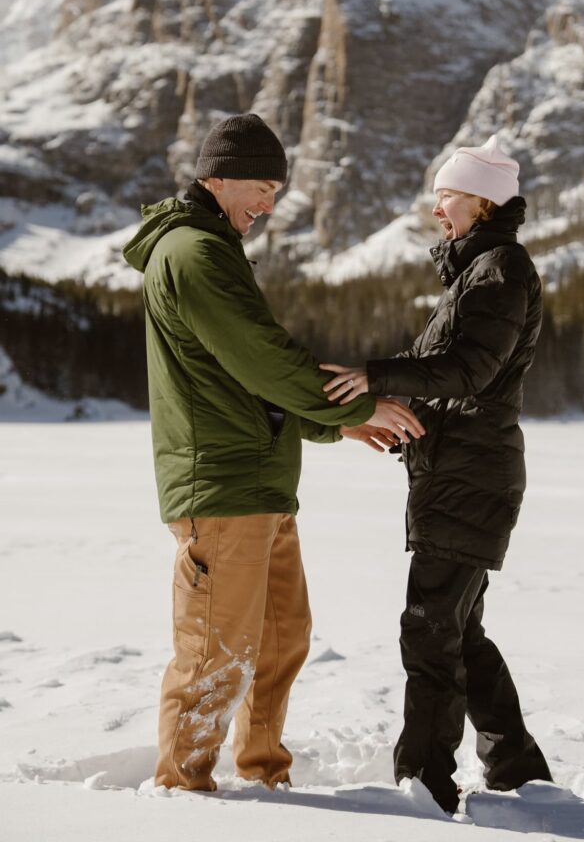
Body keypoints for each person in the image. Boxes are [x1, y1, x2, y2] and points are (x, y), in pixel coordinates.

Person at [122, 113, 423, 793]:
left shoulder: (214, 249)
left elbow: (247, 378)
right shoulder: (193, 254)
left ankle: (262, 776)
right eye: (262, 186)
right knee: (214, 655)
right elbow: (262, 359)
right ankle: (182, 791)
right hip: (222, 490)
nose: (269, 204)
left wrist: (330, 426)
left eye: (278, 191)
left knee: (282, 639)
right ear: (218, 176)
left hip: (259, 487)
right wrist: (353, 407)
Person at [322, 134, 552, 815]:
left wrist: (378, 375)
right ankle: (515, 766)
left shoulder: (501, 270)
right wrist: (367, 391)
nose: (434, 211)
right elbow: (440, 364)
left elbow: (470, 370)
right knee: (458, 632)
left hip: (469, 478)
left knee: (429, 630)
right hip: (458, 473)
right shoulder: (479, 272)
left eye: (445, 196)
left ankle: (423, 784)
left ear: (481, 200)